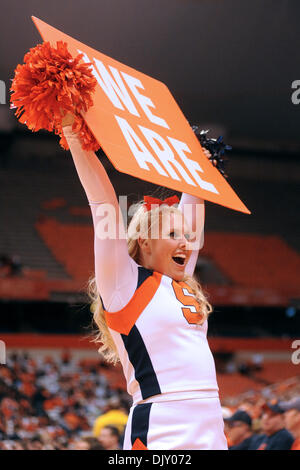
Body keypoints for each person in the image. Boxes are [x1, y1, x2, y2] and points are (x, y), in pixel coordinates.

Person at [61, 112, 227, 450]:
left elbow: (194, 203)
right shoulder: (123, 283)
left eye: (186, 235)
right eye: (173, 234)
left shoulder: (182, 283)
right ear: (147, 242)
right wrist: (71, 131)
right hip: (161, 424)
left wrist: (199, 166)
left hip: (210, 421)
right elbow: (103, 204)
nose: (186, 242)